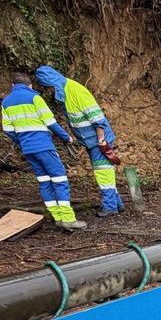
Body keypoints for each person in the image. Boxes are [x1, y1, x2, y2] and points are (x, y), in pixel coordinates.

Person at [34, 65, 125, 217]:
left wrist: (101, 140)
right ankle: (117, 203)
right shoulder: (65, 92)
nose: (49, 92)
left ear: (52, 84)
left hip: (98, 140)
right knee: (104, 171)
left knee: (103, 172)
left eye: (48, 88)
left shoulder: (76, 91)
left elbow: (97, 118)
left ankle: (110, 206)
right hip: (90, 141)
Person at [0, 72, 85, 230]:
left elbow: (8, 129)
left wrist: (22, 141)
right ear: (30, 85)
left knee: (44, 181)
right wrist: (66, 137)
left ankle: (57, 217)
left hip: (28, 149)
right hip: (44, 146)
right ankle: (68, 219)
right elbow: (50, 122)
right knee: (59, 180)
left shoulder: (6, 102)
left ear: (13, 85)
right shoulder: (34, 98)